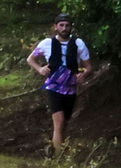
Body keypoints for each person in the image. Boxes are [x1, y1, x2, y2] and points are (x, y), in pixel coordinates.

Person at [26, 13, 93, 155]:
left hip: (71, 88)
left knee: (64, 123)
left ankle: (55, 150)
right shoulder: (46, 43)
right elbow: (30, 59)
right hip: (53, 87)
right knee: (59, 121)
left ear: (71, 27)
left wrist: (84, 74)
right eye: (61, 25)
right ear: (55, 27)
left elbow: (89, 67)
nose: (64, 28)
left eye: (67, 25)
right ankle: (59, 158)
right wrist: (40, 69)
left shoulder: (78, 43)